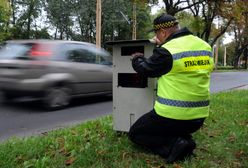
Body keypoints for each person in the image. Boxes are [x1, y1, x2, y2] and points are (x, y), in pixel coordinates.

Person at [128, 13, 214, 163]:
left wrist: (137, 58)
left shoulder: (167, 51)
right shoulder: (204, 46)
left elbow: (146, 69)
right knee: (173, 128)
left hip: (172, 116)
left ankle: (176, 144)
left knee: (136, 133)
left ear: (163, 32)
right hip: (198, 118)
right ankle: (183, 137)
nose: (156, 37)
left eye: (156, 34)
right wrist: (161, 45)